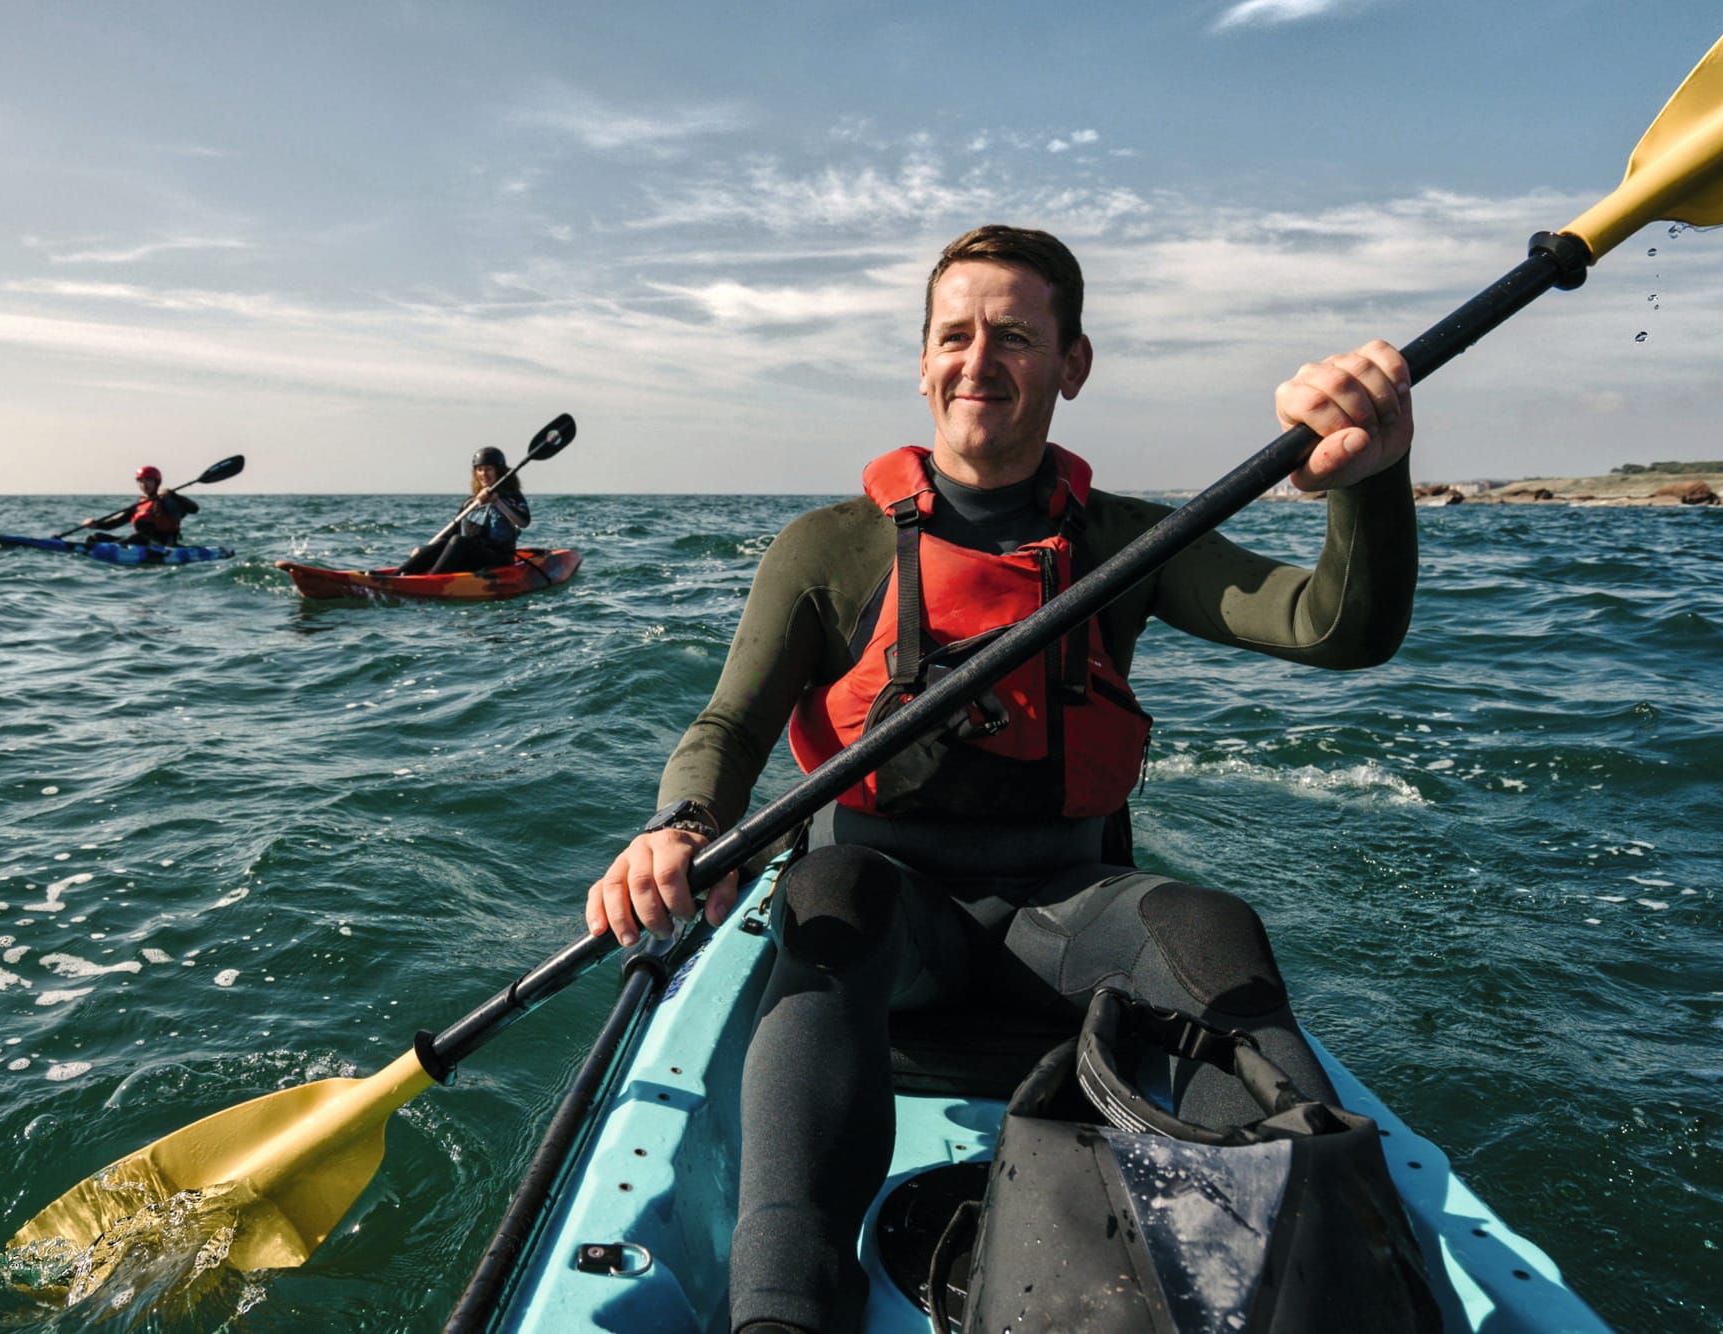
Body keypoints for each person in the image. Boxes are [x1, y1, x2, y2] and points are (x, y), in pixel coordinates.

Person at [582, 224, 1418, 1334]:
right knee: (822, 899)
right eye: (954, 335)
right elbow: (728, 722)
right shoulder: (827, 549)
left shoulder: (1129, 541)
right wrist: (681, 823)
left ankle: (1293, 1290)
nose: (978, 360)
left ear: (1072, 364)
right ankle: (781, 1306)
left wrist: (1370, 480)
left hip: (1068, 914)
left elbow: (1333, 626)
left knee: (1213, 926)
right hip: (889, 922)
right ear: (922, 360)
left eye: (1015, 336)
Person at [395, 447, 531, 574]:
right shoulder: (470, 503)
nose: (484, 474)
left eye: (488, 469)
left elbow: (523, 522)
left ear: (499, 471)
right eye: (480, 469)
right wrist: (424, 551)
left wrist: (497, 501)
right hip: (472, 558)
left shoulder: (512, 497)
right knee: (445, 543)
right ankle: (398, 575)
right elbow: (451, 533)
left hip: (499, 559)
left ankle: (430, 580)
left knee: (459, 541)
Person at [83, 466, 198, 546]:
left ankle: (106, 549)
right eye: (140, 481)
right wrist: (95, 524)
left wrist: (173, 495)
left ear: (156, 482)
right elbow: (114, 522)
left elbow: (193, 508)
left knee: (138, 538)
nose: (144, 484)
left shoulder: (167, 501)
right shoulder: (139, 505)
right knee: (97, 537)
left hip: (164, 545)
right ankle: (100, 546)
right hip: (140, 542)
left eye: (148, 480)